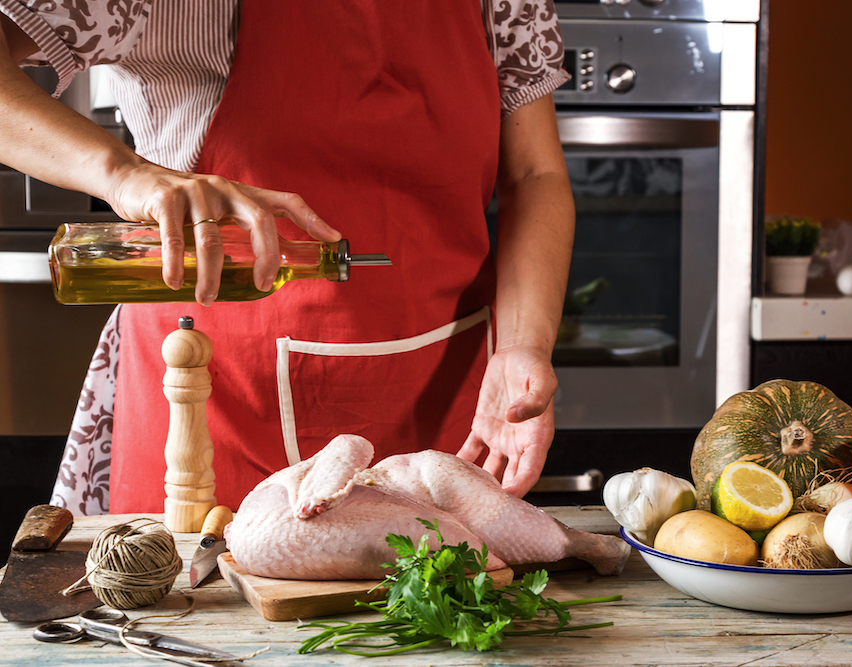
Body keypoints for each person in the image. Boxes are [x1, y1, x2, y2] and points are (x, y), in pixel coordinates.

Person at [0, 0, 575, 513]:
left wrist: (524, 346)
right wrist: (125, 174)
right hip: (215, 403)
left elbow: (535, 173)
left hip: (452, 389)